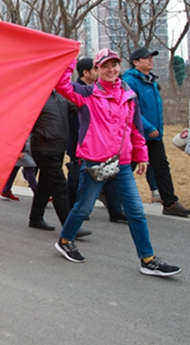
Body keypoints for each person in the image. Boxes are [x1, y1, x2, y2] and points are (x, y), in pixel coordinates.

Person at [54, 49, 180, 277]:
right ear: (96, 70)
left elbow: (135, 128)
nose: (111, 70)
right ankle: (65, 240)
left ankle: (147, 258)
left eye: (115, 65)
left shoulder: (128, 94)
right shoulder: (87, 93)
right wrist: (70, 58)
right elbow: (62, 85)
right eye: (105, 66)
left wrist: (141, 155)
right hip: (94, 162)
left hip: (121, 164)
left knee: (136, 212)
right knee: (83, 207)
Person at [122, 47, 189, 217]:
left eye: (151, 57)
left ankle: (169, 203)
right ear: (136, 62)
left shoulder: (151, 81)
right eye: (146, 58)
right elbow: (131, 109)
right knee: (126, 168)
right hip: (137, 135)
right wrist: (148, 127)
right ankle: (106, 193)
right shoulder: (130, 81)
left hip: (154, 135)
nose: (151, 60)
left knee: (161, 167)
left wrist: (156, 128)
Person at [67, 58, 127, 223]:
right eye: (96, 68)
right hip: (82, 144)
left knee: (111, 175)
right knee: (77, 179)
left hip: (106, 146)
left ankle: (115, 210)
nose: (100, 72)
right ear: (86, 72)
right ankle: (76, 213)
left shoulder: (103, 90)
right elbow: (72, 121)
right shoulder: (79, 91)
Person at [28, 90, 91, 238]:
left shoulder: (60, 96)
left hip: (58, 147)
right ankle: (70, 227)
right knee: (59, 185)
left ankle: (35, 218)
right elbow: (24, 122)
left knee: (45, 184)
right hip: (43, 148)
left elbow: (77, 105)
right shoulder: (36, 96)